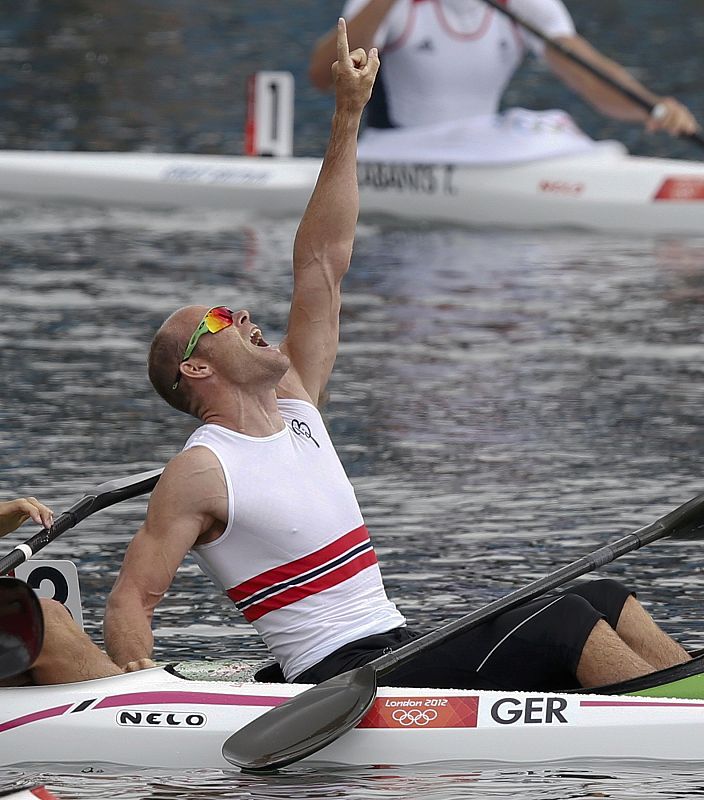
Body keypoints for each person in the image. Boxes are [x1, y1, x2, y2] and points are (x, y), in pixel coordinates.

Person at [93, 20, 690, 694]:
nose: (246, 317)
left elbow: (322, 260)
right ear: (195, 368)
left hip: (396, 641)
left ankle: (683, 716)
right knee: (565, 624)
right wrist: (136, 686)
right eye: (221, 319)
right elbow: (131, 601)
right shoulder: (202, 470)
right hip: (337, 674)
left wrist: (348, 114)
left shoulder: (297, 405)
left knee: (605, 596)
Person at [308, 1, 699, 163]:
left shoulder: (522, 5)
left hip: (485, 152)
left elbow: (587, 72)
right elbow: (324, 73)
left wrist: (656, 108)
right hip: (398, 154)